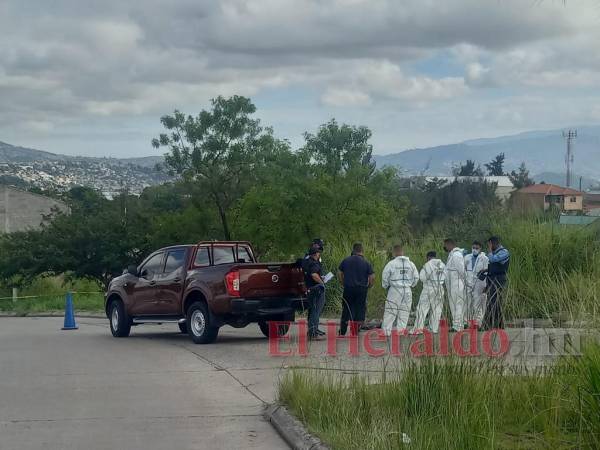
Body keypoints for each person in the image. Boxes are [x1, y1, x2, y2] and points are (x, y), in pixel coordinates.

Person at [337, 242, 375, 336]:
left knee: (346, 308)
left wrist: (343, 282)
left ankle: (342, 331)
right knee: (359, 309)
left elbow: (339, 273)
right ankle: (355, 331)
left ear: (353, 250)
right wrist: (369, 286)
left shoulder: (346, 260)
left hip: (348, 288)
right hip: (361, 289)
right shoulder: (366, 262)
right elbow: (372, 277)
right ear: (362, 251)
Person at [381, 244, 419, 336]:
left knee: (390, 310)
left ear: (394, 253)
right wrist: (411, 285)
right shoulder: (411, 264)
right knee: (405, 311)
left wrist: (386, 286)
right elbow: (416, 277)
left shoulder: (391, 264)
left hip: (395, 290)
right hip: (407, 290)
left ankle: (386, 332)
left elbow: (385, 277)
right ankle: (401, 331)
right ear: (402, 252)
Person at [411, 251, 446, 334]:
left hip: (429, 288)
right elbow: (446, 276)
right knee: (437, 309)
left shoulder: (428, 265)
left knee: (422, 308)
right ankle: (434, 328)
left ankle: (418, 329)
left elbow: (422, 278)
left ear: (428, 257)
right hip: (440, 288)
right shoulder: (442, 265)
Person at [482, 236, 510, 330]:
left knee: (495, 302)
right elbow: (493, 265)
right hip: (491, 280)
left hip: (499, 280)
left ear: (493, 243)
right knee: (491, 302)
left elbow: (493, 259)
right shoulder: (493, 253)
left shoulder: (504, 252)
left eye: (489, 245)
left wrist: (490, 250)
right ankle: (494, 325)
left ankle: (494, 325)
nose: (488, 247)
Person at [464, 241, 489, 328]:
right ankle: (467, 322)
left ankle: (478, 323)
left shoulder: (484, 258)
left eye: (476, 248)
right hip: (468, 283)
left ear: (480, 249)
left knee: (478, 304)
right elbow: (464, 269)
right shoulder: (467, 257)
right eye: (473, 248)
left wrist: (486, 286)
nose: (474, 250)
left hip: (479, 283)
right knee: (468, 304)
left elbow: (487, 272)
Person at [443, 238, 466, 332]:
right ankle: (456, 324)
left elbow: (461, 271)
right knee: (453, 305)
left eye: (445, 245)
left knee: (458, 304)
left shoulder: (456, 255)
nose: (444, 247)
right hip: (452, 285)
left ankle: (458, 325)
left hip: (457, 284)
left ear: (449, 244)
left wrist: (465, 282)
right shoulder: (451, 255)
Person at [303, 246, 326, 340]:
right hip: (317, 289)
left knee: (313, 311)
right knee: (316, 311)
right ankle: (313, 333)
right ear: (316, 254)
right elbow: (314, 274)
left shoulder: (306, 262)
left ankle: (312, 331)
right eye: (318, 253)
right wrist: (322, 282)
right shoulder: (314, 263)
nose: (319, 254)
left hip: (310, 289)